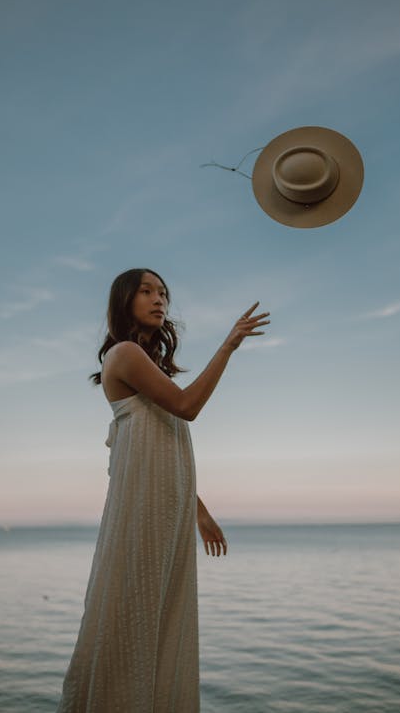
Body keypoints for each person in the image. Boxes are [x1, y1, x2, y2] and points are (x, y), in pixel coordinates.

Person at [56, 267, 269, 713]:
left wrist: (200, 512)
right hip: (145, 513)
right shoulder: (126, 354)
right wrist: (228, 346)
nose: (159, 300)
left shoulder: (148, 365)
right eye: (147, 291)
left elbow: (162, 448)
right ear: (124, 301)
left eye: (163, 293)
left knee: (161, 614)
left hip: (166, 509)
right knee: (135, 609)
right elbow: (186, 407)